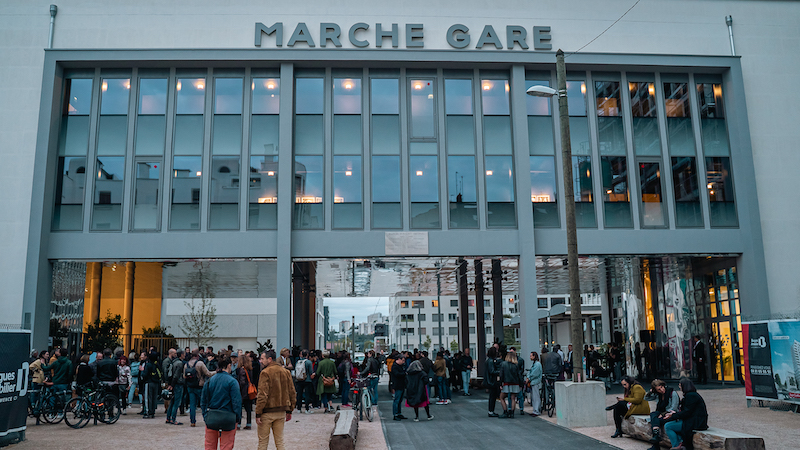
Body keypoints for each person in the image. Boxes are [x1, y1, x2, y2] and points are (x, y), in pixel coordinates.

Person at [255, 350, 296, 450]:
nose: (261, 361)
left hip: (267, 412)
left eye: (262, 359)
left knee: (263, 442)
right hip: (281, 411)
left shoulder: (265, 373)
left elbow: (262, 395)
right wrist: (290, 409)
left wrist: (258, 413)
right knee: (280, 442)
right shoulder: (286, 372)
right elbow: (292, 392)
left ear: (269, 359)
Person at [201, 357, 241, 450]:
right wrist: (237, 418)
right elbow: (236, 402)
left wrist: (205, 416)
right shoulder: (232, 381)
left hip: (212, 416)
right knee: (226, 446)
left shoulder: (209, 381)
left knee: (210, 445)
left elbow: (203, 401)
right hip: (228, 416)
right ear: (229, 366)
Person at [662, 378, 708, 450]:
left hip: (695, 422)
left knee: (668, 426)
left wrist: (673, 415)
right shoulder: (691, 395)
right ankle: (680, 443)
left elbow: (687, 412)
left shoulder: (691, 396)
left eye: (680, 386)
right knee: (671, 424)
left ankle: (676, 445)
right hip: (693, 419)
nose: (679, 387)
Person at [647, 379, 680, 449]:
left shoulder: (672, 393)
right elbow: (646, 398)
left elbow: (674, 408)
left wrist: (663, 414)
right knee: (653, 414)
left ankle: (656, 444)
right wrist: (650, 392)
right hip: (661, 412)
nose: (661, 390)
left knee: (655, 421)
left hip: (671, 414)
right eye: (659, 389)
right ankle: (656, 436)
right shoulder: (658, 395)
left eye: (662, 387)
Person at [185, 349, 211, 427]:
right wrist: (216, 372)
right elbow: (208, 373)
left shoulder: (186, 364)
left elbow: (184, 376)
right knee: (203, 404)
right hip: (199, 386)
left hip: (190, 386)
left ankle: (192, 421)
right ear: (197, 356)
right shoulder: (200, 363)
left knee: (192, 405)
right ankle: (206, 419)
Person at [236, 349, 257, 430]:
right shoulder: (249, 369)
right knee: (248, 408)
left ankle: (238, 424)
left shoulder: (241, 370)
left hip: (243, 391)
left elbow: (242, 382)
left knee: (239, 408)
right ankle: (249, 423)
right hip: (249, 391)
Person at [499, 351, 522, 418]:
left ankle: (505, 411)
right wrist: (521, 384)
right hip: (515, 383)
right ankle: (512, 413)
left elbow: (501, 375)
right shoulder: (516, 365)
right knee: (513, 398)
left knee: (502, 397)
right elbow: (519, 375)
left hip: (506, 383)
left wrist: (500, 383)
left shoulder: (503, 364)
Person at [166, 349, 186, 425]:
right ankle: (173, 419)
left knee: (172, 402)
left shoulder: (173, 362)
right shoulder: (180, 363)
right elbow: (176, 376)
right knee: (176, 402)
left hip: (173, 384)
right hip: (178, 384)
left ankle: (168, 418)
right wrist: (172, 385)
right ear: (181, 355)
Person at [140, 351, 162, 419]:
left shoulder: (148, 364)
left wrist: (142, 372)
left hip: (149, 382)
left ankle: (148, 412)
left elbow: (145, 374)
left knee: (148, 398)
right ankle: (152, 411)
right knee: (154, 398)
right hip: (156, 382)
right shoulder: (157, 364)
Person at [526, 352, 542, 416]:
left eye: (531, 356)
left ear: (534, 356)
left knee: (536, 397)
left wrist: (528, 378)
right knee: (535, 397)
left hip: (536, 382)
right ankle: (535, 410)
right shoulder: (535, 364)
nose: (530, 357)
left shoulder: (537, 364)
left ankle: (536, 410)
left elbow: (534, 373)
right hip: (534, 382)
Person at [391, 354, 407, 420]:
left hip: (401, 384)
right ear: (399, 359)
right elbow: (397, 374)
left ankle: (399, 413)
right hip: (397, 385)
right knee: (397, 400)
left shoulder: (400, 366)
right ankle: (395, 414)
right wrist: (404, 374)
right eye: (402, 360)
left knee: (400, 400)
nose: (404, 362)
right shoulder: (395, 366)